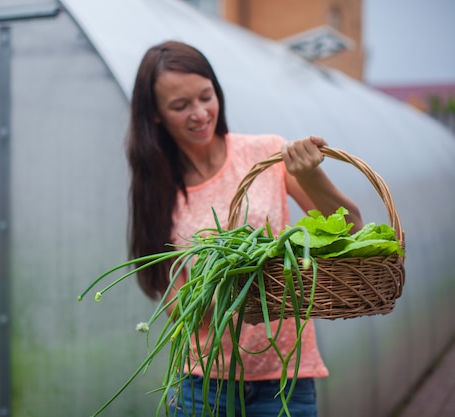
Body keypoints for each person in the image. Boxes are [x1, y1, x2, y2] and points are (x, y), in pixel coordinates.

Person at [125, 40, 363, 417]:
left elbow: (350, 227)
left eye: (206, 96)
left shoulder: (266, 154)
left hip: (285, 378)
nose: (201, 114)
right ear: (154, 114)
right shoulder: (158, 190)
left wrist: (311, 176)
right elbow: (177, 304)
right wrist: (228, 275)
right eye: (180, 106)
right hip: (202, 383)